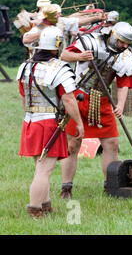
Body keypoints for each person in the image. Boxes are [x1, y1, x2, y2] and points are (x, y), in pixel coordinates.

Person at [59, 21, 132, 199]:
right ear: (112, 35)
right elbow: (64, 55)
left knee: (111, 144)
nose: (124, 46)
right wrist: (81, 57)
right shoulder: (90, 41)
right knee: (72, 144)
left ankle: (110, 186)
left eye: (127, 43)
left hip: (102, 99)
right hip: (79, 96)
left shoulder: (125, 56)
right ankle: (66, 188)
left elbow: (124, 82)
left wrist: (120, 105)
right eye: (121, 42)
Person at [16, 26, 84, 218]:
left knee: (40, 165)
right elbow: (69, 99)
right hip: (48, 124)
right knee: (44, 170)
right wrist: (78, 123)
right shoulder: (59, 68)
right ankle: (35, 209)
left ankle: (45, 204)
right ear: (58, 45)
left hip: (30, 121)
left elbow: (23, 96)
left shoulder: (25, 66)